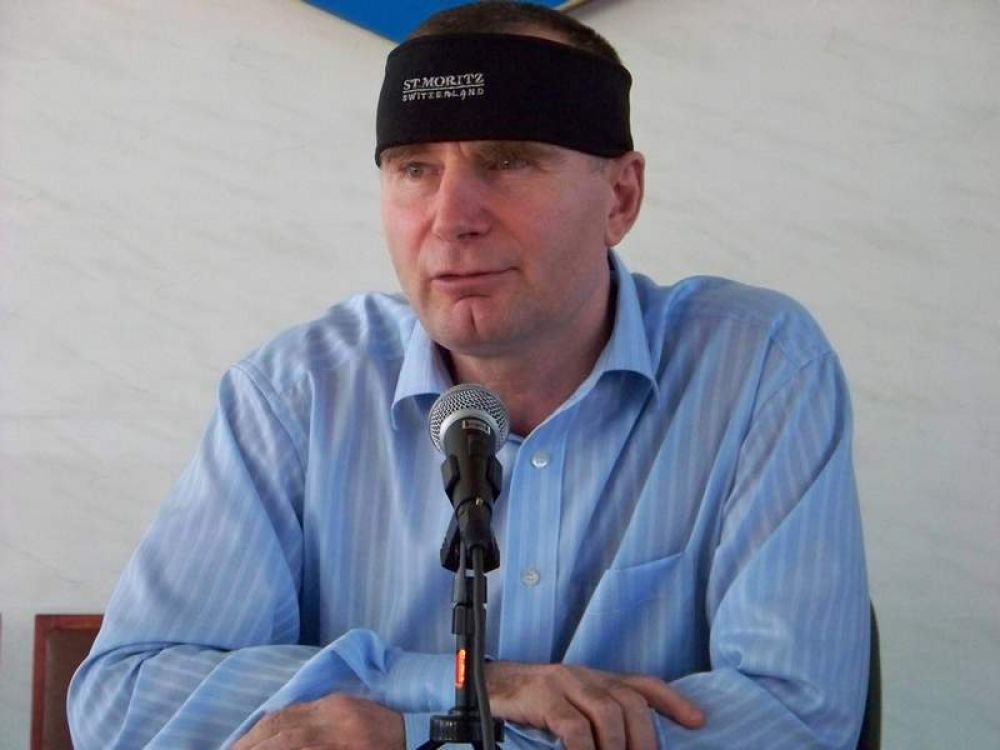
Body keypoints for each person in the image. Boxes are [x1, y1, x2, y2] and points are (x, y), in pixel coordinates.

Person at [68, 2, 870, 748]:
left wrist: (411, 734)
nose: (451, 218)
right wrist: (474, 685)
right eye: (414, 168)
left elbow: (796, 717)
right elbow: (125, 699)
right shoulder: (297, 393)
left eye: (508, 161)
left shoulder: (755, 367)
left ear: (620, 197)